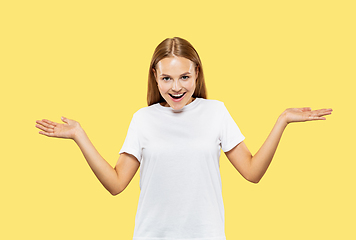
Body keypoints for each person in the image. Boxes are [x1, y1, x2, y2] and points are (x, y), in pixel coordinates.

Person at [35, 37, 333, 240]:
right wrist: (78, 135)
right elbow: (115, 184)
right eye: (167, 78)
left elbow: (253, 172)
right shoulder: (143, 119)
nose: (176, 87)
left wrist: (282, 121)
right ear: (155, 76)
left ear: (196, 74)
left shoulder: (216, 112)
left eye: (184, 77)